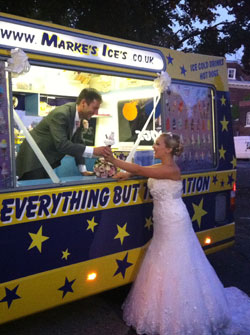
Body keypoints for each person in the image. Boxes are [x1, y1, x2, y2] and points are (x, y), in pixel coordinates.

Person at [106, 132, 250, 335]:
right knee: (164, 257)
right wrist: (128, 174)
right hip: (164, 219)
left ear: (167, 149)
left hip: (173, 220)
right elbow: (144, 171)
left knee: (177, 260)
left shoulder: (171, 169)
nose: (154, 147)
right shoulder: (161, 167)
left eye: (157, 144)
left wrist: (113, 160)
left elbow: (140, 168)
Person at [16, 88, 111, 180]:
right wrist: (93, 151)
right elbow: (62, 145)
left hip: (44, 160)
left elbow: (78, 143)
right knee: (38, 192)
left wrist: (83, 170)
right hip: (33, 159)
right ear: (83, 103)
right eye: (94, 108)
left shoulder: (78, 117)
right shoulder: (62, 114)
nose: (96, 112)